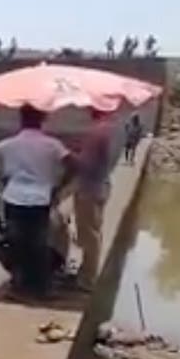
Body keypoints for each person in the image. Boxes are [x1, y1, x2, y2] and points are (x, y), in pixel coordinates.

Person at [0, 105, 73, 297]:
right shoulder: (52, 145)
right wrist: (59, 185)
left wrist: (0, 176)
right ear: (43, 119)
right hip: (40, 200)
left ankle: (20, 284)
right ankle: (42, 288)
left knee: (17, 242)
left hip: (14, 199)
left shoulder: (11, 144)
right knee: (39, 243)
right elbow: (74, 165)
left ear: (21, 119)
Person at [73, 108, 117, 288]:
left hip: (89, 189)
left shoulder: (97, 132)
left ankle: (88, 279)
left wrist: (72, 156)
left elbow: (86, 165)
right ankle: (87, 271)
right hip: (102, 185)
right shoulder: (110, 129)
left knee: (89, 234)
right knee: (94, 231)